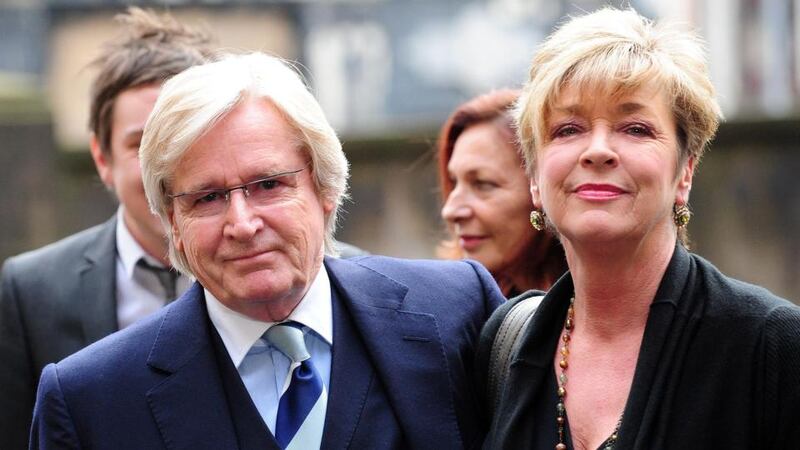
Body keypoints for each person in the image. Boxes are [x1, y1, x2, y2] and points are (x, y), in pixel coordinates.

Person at [30, 52, 505, 450]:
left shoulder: (457, 312)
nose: (242, 223)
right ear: (173, 223)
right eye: (207, 197)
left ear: (326, 190)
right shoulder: (90, 401)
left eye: (269, 184)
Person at [477, 8, 800, 450]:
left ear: (685, 171)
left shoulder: (773, 346)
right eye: (568, 129)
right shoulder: (505, 342)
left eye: (635, 128)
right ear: (535, 178)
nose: (598, 150)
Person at [0, 8, 211, 449]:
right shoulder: (30, 290)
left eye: (183, 136)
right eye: (141, 144)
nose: (163, 167)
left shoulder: (321, 272)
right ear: (102, 158)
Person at [438, 90, 567, 296]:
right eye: (454, 182)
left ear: (538, 187)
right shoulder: (451, 310)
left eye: (482, 184)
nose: (451, 211)